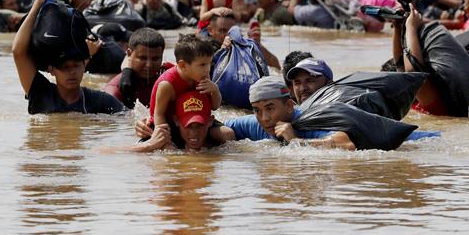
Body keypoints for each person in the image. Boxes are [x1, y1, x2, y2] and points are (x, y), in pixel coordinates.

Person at [12, 0, 125, 115]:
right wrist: (37, 5)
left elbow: (128, 117)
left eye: (76, 66)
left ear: (84, 65)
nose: (72, 72)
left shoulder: (98, 101)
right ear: (51, 70)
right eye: (65, 67)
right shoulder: (41, 93)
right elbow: (18, 52)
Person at [215, 77, 355, 148]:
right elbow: (219, 125)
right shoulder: (254, 123)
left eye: (270, 108)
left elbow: (347, 145)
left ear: (289, 106)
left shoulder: (307, 121)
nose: (264, 118)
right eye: (257, 110)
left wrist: (296, 141)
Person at [148, 33, 221, 128]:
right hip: (171, 125)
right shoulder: (167, 85)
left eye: (209, 63)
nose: (208, 69)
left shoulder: (203, 75)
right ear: (182, 65)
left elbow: (214, 107)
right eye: (203, 65)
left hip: (195, 122)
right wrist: (164, 136)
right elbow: (158, 115)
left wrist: (215, 90)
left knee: (227, 134)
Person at [103, 28, 172, 108]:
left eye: (155, 59)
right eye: (142, 58)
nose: (149, 65)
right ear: (129, 53)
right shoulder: (114, 91)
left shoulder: (168, 74)